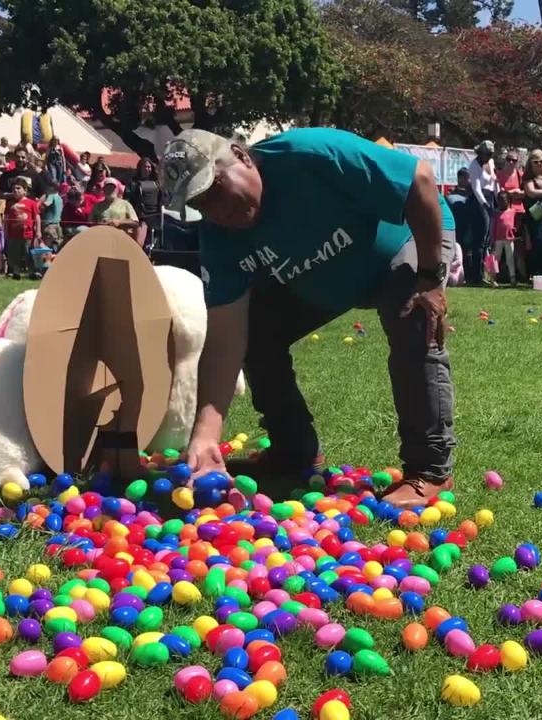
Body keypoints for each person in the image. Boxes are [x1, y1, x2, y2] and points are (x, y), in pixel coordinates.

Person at [163, 127, 457, 508]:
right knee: (257, 333)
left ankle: (430, 470)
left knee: (413, 313)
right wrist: (204, 438)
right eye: (202, 204)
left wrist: (431, 278)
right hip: (325, 278)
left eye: (217, 189)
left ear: (241, 156)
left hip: (405, 241)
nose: (218, 211)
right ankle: (294, 451)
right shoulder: (218, 238)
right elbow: (225, 340)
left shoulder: (309, 155)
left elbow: (419, 180)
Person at [465, 141, 498, 284]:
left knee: (488, 238)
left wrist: (497, 198)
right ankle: (477, 275)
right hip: (479, 201)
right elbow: (477, 189)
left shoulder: (490, 162)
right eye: (487, 153)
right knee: (480, 238)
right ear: (480, 152)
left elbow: (494, 181)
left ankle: (487, 273)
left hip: (490, 198)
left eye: (490, 154)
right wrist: (484, 204)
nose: (489, 156)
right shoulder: (474, 166)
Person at [2, 184, 40, 279]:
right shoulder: (10, 204)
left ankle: (31, 272)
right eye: (13, 189)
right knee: (14, 254)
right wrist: (5, 231)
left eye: (18, 188)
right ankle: (16, 272)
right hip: (13, 234)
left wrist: (38, 231)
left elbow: (37, 217)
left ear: (25, 191)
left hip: (28, 233)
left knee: (28, 253)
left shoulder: (31, 203)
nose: (15, 190)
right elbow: (7, 218)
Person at [125, 158, 163, 250]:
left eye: (149, 167)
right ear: (140, 168)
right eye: (145, 167)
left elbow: (162, 198)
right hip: (141, 217)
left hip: (155, 216)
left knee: (152, 245)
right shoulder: (133, 183)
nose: (147, 169)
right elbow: (127, 200)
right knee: (138, 244)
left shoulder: (157, 183)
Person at [491, 189, 521, 286]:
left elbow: (518, 218)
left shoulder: (513, 211)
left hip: (509, 238)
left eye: (504, 200)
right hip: (498, 239)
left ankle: (513, 277)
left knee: (510, 258)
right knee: (496, 259)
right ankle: (493, 278)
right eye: (500, 200)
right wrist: (492, 240)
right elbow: (494, 227)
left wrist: (515, 228)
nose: (502, 203)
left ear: (508, 201)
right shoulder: (496, 213)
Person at [39, 178, 64, 249]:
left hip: (49, 225)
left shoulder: (51, 196)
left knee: (48, 244)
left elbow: (46, 204)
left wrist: (40, 203)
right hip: (57, 224)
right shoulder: (60, 198)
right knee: (57, 243)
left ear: (52, 188)